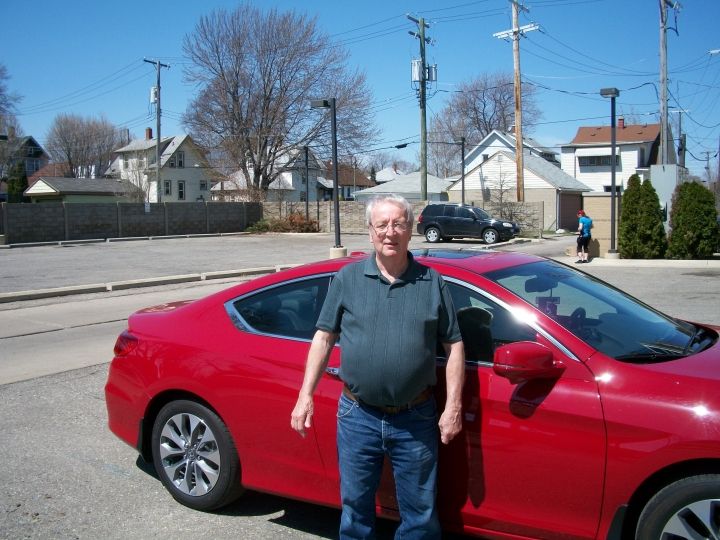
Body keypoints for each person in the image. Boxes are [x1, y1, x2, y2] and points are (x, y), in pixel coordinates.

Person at [290, 194, 465, 540]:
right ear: (370, 232)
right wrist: (304, 395)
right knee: (355, 511)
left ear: (410, 230)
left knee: (420, 517)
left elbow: (454, 343)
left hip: (416, 418)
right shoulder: (348, 279)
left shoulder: (432, 283)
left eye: (398, 223)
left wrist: (453, 406)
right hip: (358, 416)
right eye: (382, 225)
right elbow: (324, 338)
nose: (390, 232)